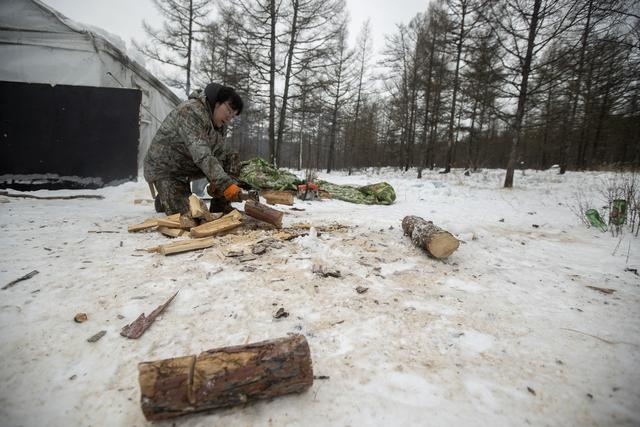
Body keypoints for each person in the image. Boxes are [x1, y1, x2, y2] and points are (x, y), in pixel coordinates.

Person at [144, 83, 247, 227]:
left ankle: (221, 207)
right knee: (191, 216)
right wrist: (226, 184)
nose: (229, 118)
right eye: (228, 110)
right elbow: (203, 155)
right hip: (167, 169)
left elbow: (219, 154)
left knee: (231, 157)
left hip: (188, 164)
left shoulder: (220, 124)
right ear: (216, 102)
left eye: (233, 115)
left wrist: (217, 183)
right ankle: (164, 198)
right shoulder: (191, 112)